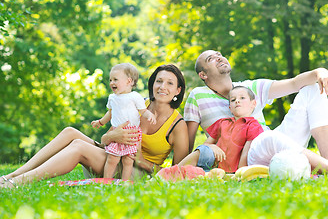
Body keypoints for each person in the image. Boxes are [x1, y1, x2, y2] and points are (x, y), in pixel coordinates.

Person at [0, 64, 189, 188]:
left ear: (177, 90)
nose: (162, 86)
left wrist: (141, 160)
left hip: (132, 171)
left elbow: (175, 173)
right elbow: (106, 139)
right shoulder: (137, 104)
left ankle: (20, 182)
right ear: (152, 84)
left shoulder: (177, 125)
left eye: (170, 83)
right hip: (113, 155)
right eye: (159, 81)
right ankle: (14, 174)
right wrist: (111, 137)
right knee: (70, 132)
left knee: (79, 147)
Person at [184, 50, 328, 162]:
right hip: (249, 158)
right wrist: (181, 166)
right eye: (211, 58)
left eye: (219, 54)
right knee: (268, 138)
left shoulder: (251, 87)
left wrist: (320, 72)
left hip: (275, 144)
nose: (219, 58)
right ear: (203, 75)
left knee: (313, 89)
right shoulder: (197, 95)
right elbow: (188, 142)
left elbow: (294, 83)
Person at [91, 63, 156, 180]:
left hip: (132, 133)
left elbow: (143, 110)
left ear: (129, 81)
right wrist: (100, 122)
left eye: (115, 79)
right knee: (112, 158)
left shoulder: (135, 96)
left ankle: (125, 182)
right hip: (117, 131)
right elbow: (110, 113)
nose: (112, 83)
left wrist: (149, 115)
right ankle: (106, 180)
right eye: (110, 80)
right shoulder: (112, 98)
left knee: (128, 160)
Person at [179, 86, 264, 173]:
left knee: (198, 173)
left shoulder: (253, 126)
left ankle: (184, 172)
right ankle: (176, 171)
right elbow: (206, 144)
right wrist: (212, 146)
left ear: (253, 104)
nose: (237, 101)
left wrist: (240, 174)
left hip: (234, 171)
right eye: (233, 100)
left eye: (242, 98)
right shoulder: (222, 123)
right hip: (212, 166)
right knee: (202, 150)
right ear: (230, 108)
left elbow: (246, 154)